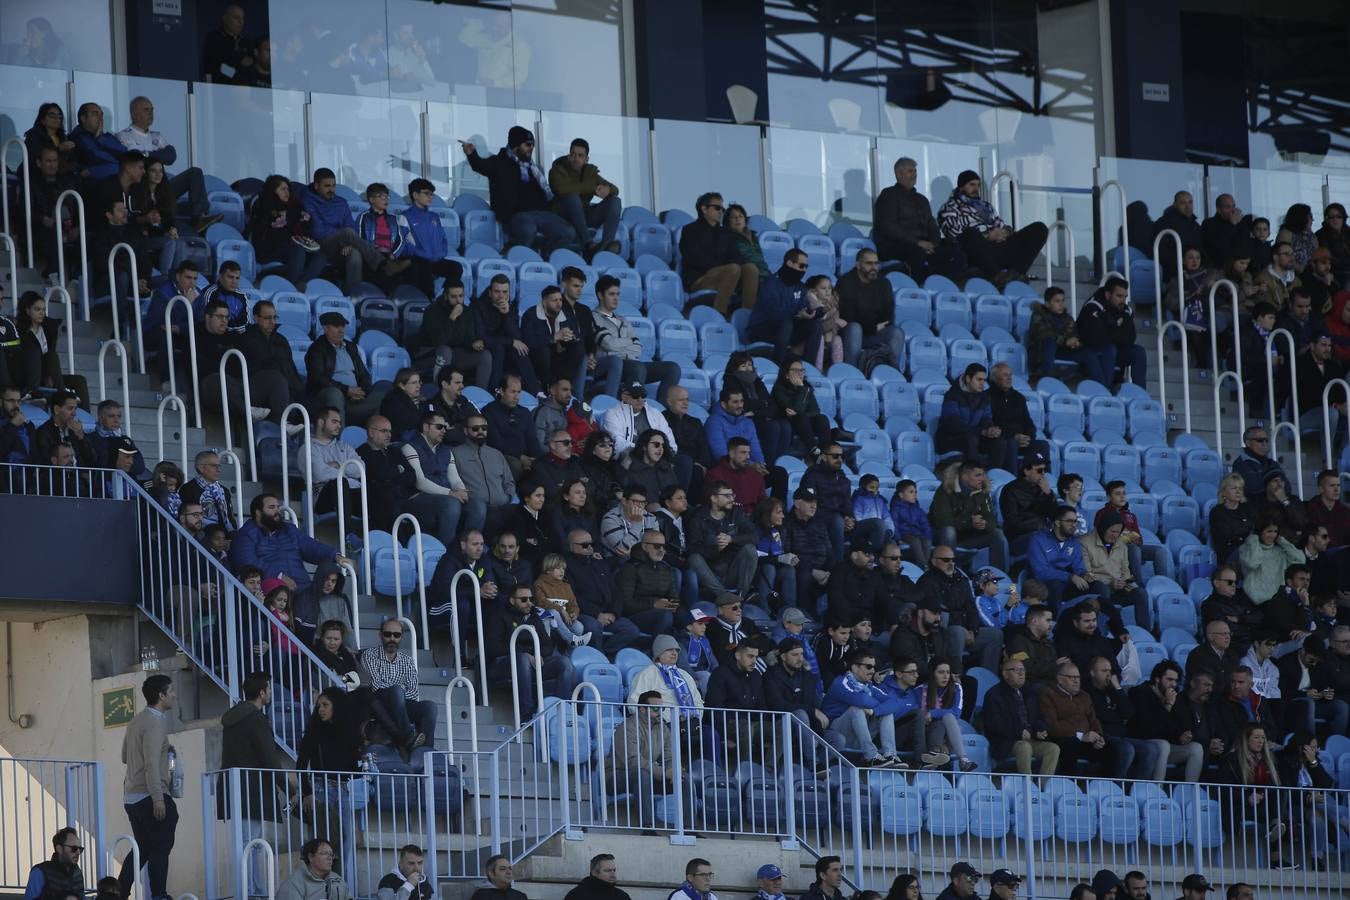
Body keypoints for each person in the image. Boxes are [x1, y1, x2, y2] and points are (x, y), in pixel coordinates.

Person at [461, 127, 574, 254]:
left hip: (539, 213)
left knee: (568, 232)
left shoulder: (533, 168)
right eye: (528, 145)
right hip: (513, 216)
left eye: (533, 145)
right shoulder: (500, 162)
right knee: (528, 227)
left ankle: (544, 254)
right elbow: (480, 166)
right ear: (515, 146)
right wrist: (471, 154)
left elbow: (546, 194)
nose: (531, 148)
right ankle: (515, 255)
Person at [114, 96, 217, 233]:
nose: (151, 114)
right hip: (141, 191)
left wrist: (147, 154)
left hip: (161, 188)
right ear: (134, 113)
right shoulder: (124, 136)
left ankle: (200, 218)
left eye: (152, 110)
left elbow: (171, 156)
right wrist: (154, 155)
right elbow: (136, 158)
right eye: (146, 110)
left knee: (195, 172)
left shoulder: (157, 136)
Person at [118, 674, 177, 900]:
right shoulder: (155, 721)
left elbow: (125, 756)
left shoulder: (136, 720)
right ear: (161, 696)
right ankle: (159, 895)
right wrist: (158, 797)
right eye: (170, 691)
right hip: (149, 795)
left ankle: (119, 893)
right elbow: (151, 761)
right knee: (160, 848)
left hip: (130, 796)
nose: (174, 695)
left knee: (141, 848)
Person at [937, 171, 1048, 284]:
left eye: (978, 185)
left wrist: (1006, 232)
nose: (976, 188)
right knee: (970, 233)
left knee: (1039, 228)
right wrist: (987, 236)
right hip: (977, 252)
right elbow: (953, 233)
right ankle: (997, 276)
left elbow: (1001, 225)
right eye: (972, 184)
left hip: (999, 246)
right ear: (961, 187)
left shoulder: (986, 206)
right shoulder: (949, 208)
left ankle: (1016, 274)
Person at [229, 493, 350, 590]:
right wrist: (279, 577)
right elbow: (247, 562)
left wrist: (335, 555)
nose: (277, 511)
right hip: (272, 591)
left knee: (330, 570)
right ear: (258, 512)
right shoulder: (246, 534)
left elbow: (311, 546)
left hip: (303, 588)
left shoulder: (288, 529)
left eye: (278, 507)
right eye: (271, 507)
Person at [591, 275, 680, 402]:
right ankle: (634, 407)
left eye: (618, 294)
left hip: (630, 363)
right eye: (611, 294)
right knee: (637, 366)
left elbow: (638, 348)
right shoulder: (593, 317)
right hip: (607, 365)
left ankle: (663, 410)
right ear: (600, 295)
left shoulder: (622, 320)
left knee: (672, 368)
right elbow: (608, 344)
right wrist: (629, 342)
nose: (616, 298)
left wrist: (623, 347)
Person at [1217, 722, 1294, 868]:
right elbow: (1224, 790)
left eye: (1263, 738)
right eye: (1257, 737)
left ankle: (1275, 826)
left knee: (1279, 791)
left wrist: (1262, 794)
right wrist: (1247, 797)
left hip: (1263, 806)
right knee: (1277, 815)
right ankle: (1276, 857)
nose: (1261, 741)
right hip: (1241, 808)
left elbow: (1274, 785)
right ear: (1246, 740)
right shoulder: (1232, 759)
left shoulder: (1268, 759)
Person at [401, 410, 483, 545]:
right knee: (451, 504)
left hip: (445, 496)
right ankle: (445, 550)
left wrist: (461, 492)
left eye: (445, 427)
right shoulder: (410, 448)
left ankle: (469, 546)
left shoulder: (445, 450)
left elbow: (454, 479)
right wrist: (451, 493)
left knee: (477, 504)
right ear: (426, 427)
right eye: (439, 427)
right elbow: (420, 482)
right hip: (418, 497)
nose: (444, 430)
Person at [359, 619, 437, 756]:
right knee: (396, 690)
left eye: (396, 635)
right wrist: (399, 690)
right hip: (380, 703)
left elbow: (413, 691)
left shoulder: (407, 661)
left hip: (402, 704)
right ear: (380, 635)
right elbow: (376, 685)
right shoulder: (369, 655)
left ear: (401, 636)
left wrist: (399, 694)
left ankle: (425, 753)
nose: (392, 639)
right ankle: (408, 737)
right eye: (387, 634)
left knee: (430, 706)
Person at [873, 157, 959, 279]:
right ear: (898, 174)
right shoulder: (889, 195)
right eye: (910, 171)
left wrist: (933, 245)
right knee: (917, 253)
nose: (914, 175)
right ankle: (918, 288)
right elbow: (889, 226)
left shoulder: (922, 199)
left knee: (955, 253)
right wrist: (918, 243)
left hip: (923, 245)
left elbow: (932, 225)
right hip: (894, 246)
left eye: (915, 171)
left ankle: (940, 288)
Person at [302, 168, 384, 293]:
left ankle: (352, 295)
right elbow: (317, 231)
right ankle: (381, 264)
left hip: (338, 246)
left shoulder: (341, 202)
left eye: (334, 185)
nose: (332, 190)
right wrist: (344, 239)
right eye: (327, 186)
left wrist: (348, 243)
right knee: (347, 233)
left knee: (355, 253)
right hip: (318, 245)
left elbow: (350, 225)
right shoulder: (307, 201)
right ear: (316, 186)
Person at [821, 647, 905, 768]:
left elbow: (895, 703)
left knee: (887, 712)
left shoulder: (868, 686)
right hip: (837, 736)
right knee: (857, 708)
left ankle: (890, 755)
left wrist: (874, 711)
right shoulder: (840, 683)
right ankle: (871, 756)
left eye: (874, 667)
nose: (873, 671)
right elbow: (861, 700)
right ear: (855, 668)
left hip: (859, 736)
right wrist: (878, 706)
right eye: (868, 667)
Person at [1126, 660, 1206, 782]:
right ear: (1157, 679)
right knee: (1163, 745)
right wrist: (1167, 705)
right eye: (1169, 680)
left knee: (1196, 748)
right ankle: (1158, 792)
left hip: (1166, 747)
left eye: (1176, 680)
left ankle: (1190, 793)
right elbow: (1147, 729)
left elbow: (1174, 726)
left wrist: (1180, 736)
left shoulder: (1174, 697)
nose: (1173, 684)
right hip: (1142, 744)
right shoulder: (1140, 693)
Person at [679, 192, 758, 314]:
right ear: (704, 209)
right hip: (699, 280)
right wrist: (723, 266)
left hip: (727, 275)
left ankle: (747, 315)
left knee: (750, 268)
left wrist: (728, 265)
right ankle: (719, 314)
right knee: (732, 268)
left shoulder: (725, 233)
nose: (721, 211)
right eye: (717, 208)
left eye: (722, 208)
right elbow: (693, 259)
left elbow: (737, 257)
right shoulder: (690, 230)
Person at [1041, 661, 1125, 776]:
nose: (1076, 681)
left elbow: (1094, 720)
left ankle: (1104, 787)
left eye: (1078, 677)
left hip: (1086, 740)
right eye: (1071, 677)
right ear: (1059, 679)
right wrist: (1080, 736)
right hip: (1063, 740)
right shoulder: (1048, 695)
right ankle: (1069, 787)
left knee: (1112, 750)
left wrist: (1098, 737)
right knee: (1071, 745)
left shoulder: (1084, 696)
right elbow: (1052, 726)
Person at [305, 310, 385, 426]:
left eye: (343, 326)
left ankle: (375, 437)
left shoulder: (351, 347)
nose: (341, 330)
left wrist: (362, 392)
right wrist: (346, 390)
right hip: (330, 395)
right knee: (334, 394)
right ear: (325, 328)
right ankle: (338, 440)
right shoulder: (317, 349)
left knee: (384, 392)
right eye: (336, 326)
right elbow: (318, 378)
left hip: (354, 396)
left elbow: (364, 374)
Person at [982, 658, 1060, 775]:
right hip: (1005, 743)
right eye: (1016, 670)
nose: (1021, 673)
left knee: (1053, 748)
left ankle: (1044, 787)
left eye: (1023, 669)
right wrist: (1018, 732)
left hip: (1030, 740)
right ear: (1005, 674)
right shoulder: (994, 694)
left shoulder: (1029, 692)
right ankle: (1027, 787)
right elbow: (994, 724)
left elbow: (1039, 716)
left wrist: (1039, 729)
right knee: (1024, 747)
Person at [11, 293, 89, 408]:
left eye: (44, 309)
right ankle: (59, 395)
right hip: (25, 375)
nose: (42, 313)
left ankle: (86, 418)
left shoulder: (48, 329)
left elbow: (50, 355)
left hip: (46, 374)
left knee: (79, 380)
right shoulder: (17, 330)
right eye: (37, 309)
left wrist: (50, 375)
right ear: (27, 310)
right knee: (41, 352)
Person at [249, 174, 325, 288]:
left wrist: (294, 216)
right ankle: (292, 286)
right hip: (270, 249)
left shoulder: (294, 205)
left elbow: (307, 219)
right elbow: (275, 219)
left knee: (321, 254)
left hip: (290, 247)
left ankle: (302, 283)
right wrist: (294, 216)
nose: (287, 192)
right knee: (298, 250)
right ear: (273, 190)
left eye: (288, 189)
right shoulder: (263, 204)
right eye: (283, 189)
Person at [548, 138, 621, 255]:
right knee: (572, 197)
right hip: (562, 216)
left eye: (580, 156)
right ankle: (588, 244)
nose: (576, 159)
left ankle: (606, 246)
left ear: (586, 159)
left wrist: (608, 190)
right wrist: (592, 187)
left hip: (584, 216)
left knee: (615, 201)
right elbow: (562, 189)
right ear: (568, 156)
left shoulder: (589, 173)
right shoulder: (557, 170)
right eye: (573, 154)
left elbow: (615, 190)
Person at [747, 249, 822, 362]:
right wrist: (798, 313)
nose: (804, 270)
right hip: (761, 329)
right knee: (785, 322)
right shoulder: (770, 284)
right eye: (801, 266)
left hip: (786, 330)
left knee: (815, 325)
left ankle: (808, 367)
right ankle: (779, 367)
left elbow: (806, 308)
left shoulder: (800, 287)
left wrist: (814, 311)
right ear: (789, 263)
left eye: (806, 267)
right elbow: (774, 312)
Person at [400, 179, 466, 300]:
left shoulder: (434, 217)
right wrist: (424, 255)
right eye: (426, 193)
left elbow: (443, 240)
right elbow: (404, 243)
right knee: (423, 267)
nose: (430, 197)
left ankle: (445, 298)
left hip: (435, 260)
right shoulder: (405, 216)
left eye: (431, 194)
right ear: (415, 195)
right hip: (418, 260)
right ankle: (428, 301)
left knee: (456, 267)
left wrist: (439, 255)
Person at [1077, 277, 1146, 388]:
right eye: (1119, 296)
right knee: (1110, 348)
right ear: (1108, 295)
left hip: (1114, 350)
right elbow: (1093, 338)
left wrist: (1111, 333)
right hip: (1091, 353)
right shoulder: (1093, 306)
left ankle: (1141, 394)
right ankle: (1106, 393)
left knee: (1138, 352)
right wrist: (1118, 333)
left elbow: (1131, 337)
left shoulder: (1126, 310)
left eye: (1125, 297)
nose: (1123, 300)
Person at [1027, 286, 1100, 382]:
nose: (1061, 304)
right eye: (1057, 301)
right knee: (1050, 343)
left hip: (1061, 351)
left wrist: (1076, 342)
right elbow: (1044, 334)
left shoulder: (1067, 318)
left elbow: (1075, 334)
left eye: (1062, 301)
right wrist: (1066, 341)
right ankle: (1048, 382)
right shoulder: (1038, 315)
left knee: (1088, 353)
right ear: (1047, 303)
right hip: (1040, 353)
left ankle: (1102, 389)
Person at [935, 363, 1003, 465]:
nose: (982, 384)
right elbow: (954, 424)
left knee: (1000, 441)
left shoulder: (984, 398)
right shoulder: (952, 395)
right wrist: (982, 432)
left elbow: (986, 418)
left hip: (973, 435)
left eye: (984, 380)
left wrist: (990, 428)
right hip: (949, 439)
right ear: (968, 379)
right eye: (979, 379)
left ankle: (996, 475)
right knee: (971, 439)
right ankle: (971, 475)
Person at [999, 452, 1058, 553]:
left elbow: (1055, 515)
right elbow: (1012, 523)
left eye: (1045, 470)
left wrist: (1049, 494)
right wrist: (1039, 526)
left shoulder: (1042, 488)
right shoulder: (1010, 490)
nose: (1043, 473)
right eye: (1039, 470)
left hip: (1041, 533)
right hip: (1019, 538)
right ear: (1026, 471)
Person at [1237, 519, 1304, 604]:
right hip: (1255, 601)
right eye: (1269, 531)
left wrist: (1282, 541)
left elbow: (1300, 560)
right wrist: (1253, 540)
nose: (1272, 535)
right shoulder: (1248, 548)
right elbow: (1252, 564)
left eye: (1275, 531)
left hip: (1278, 601)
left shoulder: (1280, 551)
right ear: (1260, 532)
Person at [22, 827, 85, 900]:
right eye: (74, 848)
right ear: (59, 848)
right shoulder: (40, 872)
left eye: (80, 849)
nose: (78, 852)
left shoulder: (77, 873)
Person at [276, 839, 352, 900]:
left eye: (331, 855)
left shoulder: (337, 880)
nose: (329, 858)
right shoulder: (293, 884)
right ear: (311, 857)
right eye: (324, 853)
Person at [203, 5, 254, 84]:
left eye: (242, 18)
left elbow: (251, 67)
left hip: (244, 91)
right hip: (220, 89)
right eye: (236, 17)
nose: (240, 22)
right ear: (225, 18)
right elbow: (219, 67)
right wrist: (239, 61)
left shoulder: (247, 42)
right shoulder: (214, 38)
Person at [565, 854, 631, 900]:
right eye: (608, 870)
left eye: (614, 870)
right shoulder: (577, 896)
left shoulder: (622, 896)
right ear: (594, 872)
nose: (613, 875)